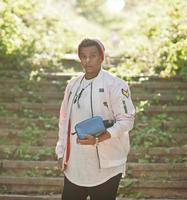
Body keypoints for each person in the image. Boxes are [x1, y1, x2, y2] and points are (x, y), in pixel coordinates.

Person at [55, 38, 135, 200]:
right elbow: (64, 121)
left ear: (101, 57)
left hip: (107, 166)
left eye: (93, 55)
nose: (87, 60)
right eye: (83, 56)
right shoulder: (72, 85)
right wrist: (61, 152)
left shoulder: (116, 85)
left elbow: (127, 121)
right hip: (75, 166)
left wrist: (99, 138)